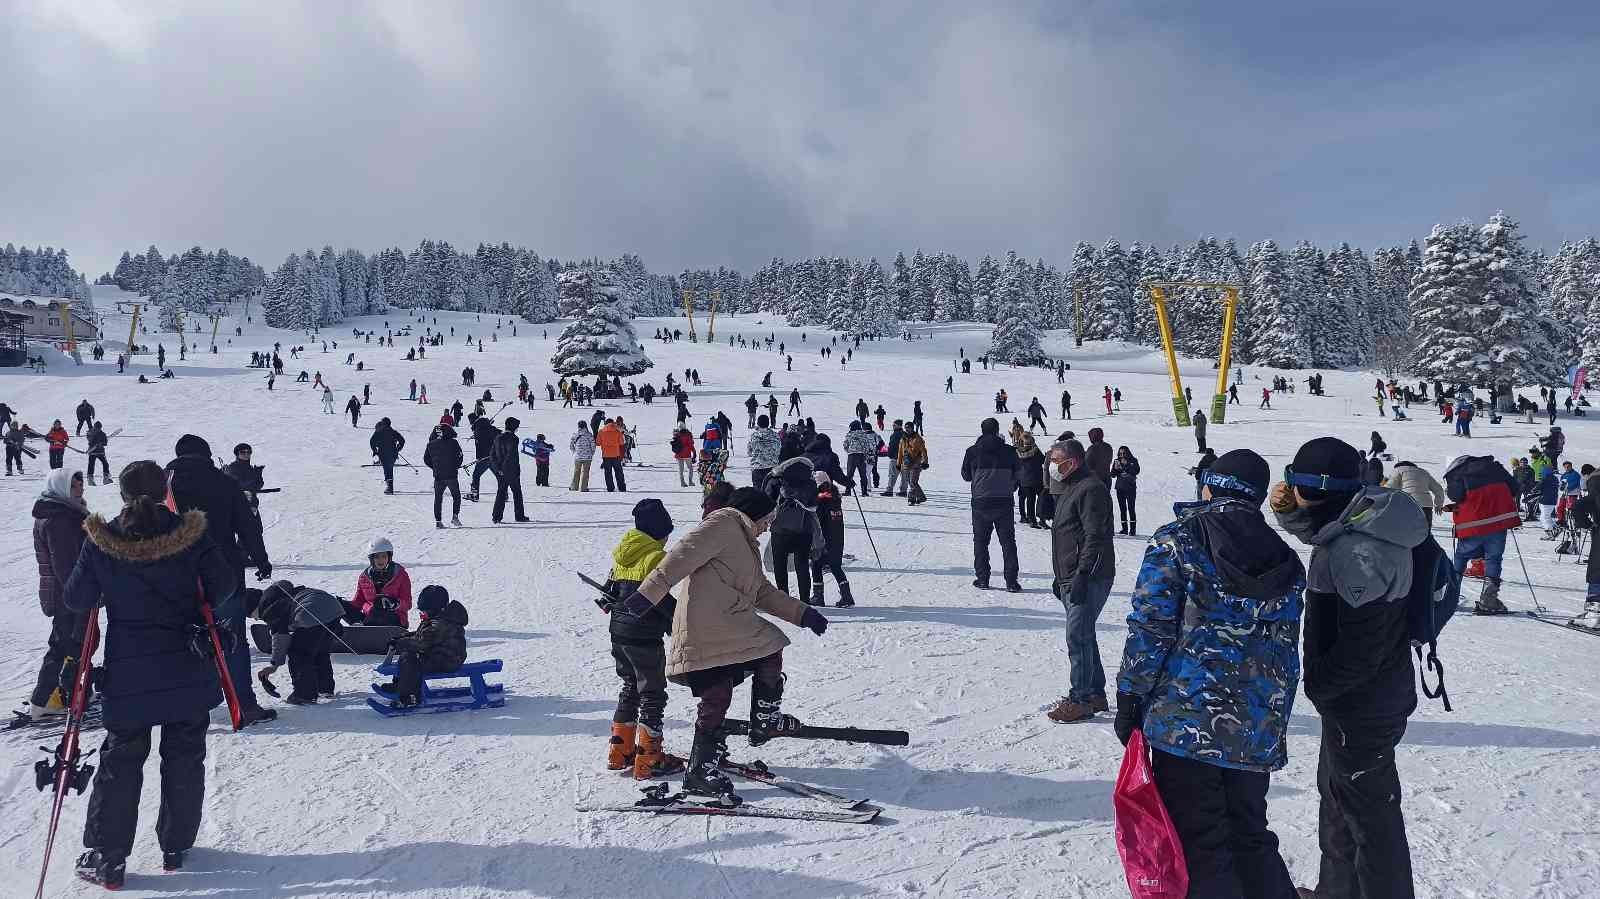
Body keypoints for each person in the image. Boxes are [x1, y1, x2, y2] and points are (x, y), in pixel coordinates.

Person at [1114, 449, 1305, 897]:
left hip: (1188, 720)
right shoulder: (1284, 555)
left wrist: (1130, 695)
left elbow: (1151, 626)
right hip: (1256, 723)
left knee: (1202, 844)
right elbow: (1284, 646)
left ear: (1210, 485)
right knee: (1250, 835)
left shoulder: (1177, 540)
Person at [64, 460, 236, 886]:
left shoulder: (102, 541)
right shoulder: (191, 534)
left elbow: (77, 597)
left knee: (121, 761)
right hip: (186, 664)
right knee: (184, 755)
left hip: (129, 672)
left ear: (122, 495)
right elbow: (225, 585)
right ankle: (175, 846)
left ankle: (109, 858)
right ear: (166, 490)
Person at [1272, 437, 1426, 899]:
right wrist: (1288, 511)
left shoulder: (1358, 554)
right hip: (1365, 696)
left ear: (1309, 487)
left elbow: (1362, 649)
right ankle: (1335, 891)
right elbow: (1323, 526)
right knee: (1340, 802)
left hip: (1362, 700)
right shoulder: (1367, 513)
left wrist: (1319, 685)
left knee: (1370, 819)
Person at [616, 487, 826, 803]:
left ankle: (742, 736)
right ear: (755, 512)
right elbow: (678, 558)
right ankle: (715, 759)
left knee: (736, 678)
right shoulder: (722, 524)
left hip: (729, 628)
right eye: (768, 518)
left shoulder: (743, 540)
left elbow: (761, 593)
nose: (769, 525)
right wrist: (646, 596)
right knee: (725, 686)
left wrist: (802, 613)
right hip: (706, 630)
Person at [165, 434, 274, 726]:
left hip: (177, 576)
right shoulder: (224, 482)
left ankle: (187, 704)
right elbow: (248, 526)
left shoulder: (165, 485)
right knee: (232, 639)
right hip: (224, 573)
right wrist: (261, 560)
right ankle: (244, 705)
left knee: (183, 640)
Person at [601, 499, 686, 779]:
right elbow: (658, 599)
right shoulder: (655, 557)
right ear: (658, 531)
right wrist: (681, 622)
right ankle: (649, 757)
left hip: (619, 631)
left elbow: (612, 591)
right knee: (652, 692)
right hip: (643, 635)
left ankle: (620, 751)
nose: (667, 539)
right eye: (666, 533)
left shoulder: (624, 553)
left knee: (630, 686)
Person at [1044, 439, 1116, 722]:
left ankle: (1081, 698)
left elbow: (1094, 536)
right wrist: (1060, 577)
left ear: (1071, 462)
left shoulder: (1091, 489)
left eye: (1055, 460)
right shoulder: (1071, 486)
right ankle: (1095, 693)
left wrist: (1083, 575)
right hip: (1071, 574)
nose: (1051, 466)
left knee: (1078, 636)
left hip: (1090, 575)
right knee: (1084, 633)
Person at [24, 468, 89, 720]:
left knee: (77, 643)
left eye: (81, 483)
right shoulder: (59, 519)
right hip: (68, 594)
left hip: (67, 592)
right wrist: (82, 594)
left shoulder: (63, 512)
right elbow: (65, 565)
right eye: (75, 485)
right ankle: (46, 699)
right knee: (65, 644)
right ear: (61, 487)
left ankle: (68, 692)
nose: (81, 488)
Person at [1443, 453, 1521, 614]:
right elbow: (1515, 488)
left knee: (1461, 557)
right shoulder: (1495, 467)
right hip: (1498, 521)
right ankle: (1488, 600)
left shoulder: (1457, 473)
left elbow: (1456, 495)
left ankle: (1450, 599)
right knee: (1494, 559)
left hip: (1473, 524)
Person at [377, 585, 469, 709]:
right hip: (439, 655)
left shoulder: (441, 623)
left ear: (434, 609)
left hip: (448, 660)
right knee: (409, 656)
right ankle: (401, 686)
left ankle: (410, 696)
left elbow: (423, 643)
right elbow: (423, 635)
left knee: (409, 659)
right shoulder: (438, 618)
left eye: (425, 610)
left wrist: (401, 643)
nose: (422, 613)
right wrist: (402, 638)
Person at [254, 580, 345, 705]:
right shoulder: (281, 596)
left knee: (298, 652)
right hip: (334, 608)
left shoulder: (269, 608)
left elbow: (280, 636)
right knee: (319, 651)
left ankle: (304, 694)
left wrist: (274, 665)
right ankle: (324, 688)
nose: (256, 619)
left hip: (312, 611)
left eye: (254, 616)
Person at [961, 418, 1021, 591]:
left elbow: (965, 475)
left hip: (981, 501)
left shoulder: (972, 451)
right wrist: (1011, 485)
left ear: (982, 430)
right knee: (1008, 542)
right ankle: (1011, 582)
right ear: (997, 430)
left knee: (980, 542)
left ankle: (983, 579)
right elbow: (1019, 473)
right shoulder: (1009, 451)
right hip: (1004, 501)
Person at [766, 457, 824, 601]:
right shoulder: (810, 483)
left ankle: (783, 599)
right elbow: (815, 505)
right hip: (804, 530)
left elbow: (766, 501)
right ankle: (804, 600)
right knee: (802, 566)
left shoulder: (777, 481)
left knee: (780, 566)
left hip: (780, 530)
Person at [810, 470, 855, 607]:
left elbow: (817, 522)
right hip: (837, 538)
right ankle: (847, 596)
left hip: (823, 540)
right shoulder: (835, 498)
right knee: (835, 566)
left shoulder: (820, 501)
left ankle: (818, 596)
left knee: (816, 565)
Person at [351, 537, 413, 627]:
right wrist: (342, 606)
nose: (381, 560)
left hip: (395, 619)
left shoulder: (400, 575)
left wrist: (395, 603)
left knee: (379, 614)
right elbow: (358, 602)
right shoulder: (364, 577)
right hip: (370, 617)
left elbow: (407, 603)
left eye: (384, 556)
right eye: (377, 557)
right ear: (372, 559)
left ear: (389, 557)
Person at [1565, 472, 1600, 630]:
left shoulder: (1596, 487)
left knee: (1597, 571)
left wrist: (1587, 524)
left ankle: (1594, 614)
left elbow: (1577, 507)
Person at [423, 423, 464, 528]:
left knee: (438, 498)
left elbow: (426, 460)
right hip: (451, 475)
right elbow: (460, 456)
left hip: (438, 475)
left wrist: (434, 467)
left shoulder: (431, 444)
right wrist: (456, 465)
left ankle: (438, 521)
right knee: (456, 496)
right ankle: (455, 517)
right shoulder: (454, 443)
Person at [491, 417, 529, 523]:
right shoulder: (513, 438)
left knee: (501, 493)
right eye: (517, 427)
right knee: (517, 493)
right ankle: (519, 516)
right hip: (511, 470)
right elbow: (511, 455)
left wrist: (497, 468)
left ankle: (496, 517)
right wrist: (506, 469)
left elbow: (492, 455)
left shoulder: (498, 437)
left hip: (500, 470)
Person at [1388, 461, 1446, 527]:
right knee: (1425, 531)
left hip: (1408, 504)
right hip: (1426, 507)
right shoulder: (1424, 472)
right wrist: (1439, 504)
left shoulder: (1398, 470)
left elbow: (1389, 488)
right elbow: (1438, 489)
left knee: (1406, 531)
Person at [1014, 430, 1046, 527]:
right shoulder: (1035, 451)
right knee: (1041, 499)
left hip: (1024, 479)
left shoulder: (1017, 451)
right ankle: (1042, 519)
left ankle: (1032, 520)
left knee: (1030, 500)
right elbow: (1043, 460)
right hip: (1037, 477)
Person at [467, 412, 500, 502]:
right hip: (494, 457)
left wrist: (479, 458)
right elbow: (498, 433)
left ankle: (474, 495)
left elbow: (481, 443)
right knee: (499, 476)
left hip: (484, 457)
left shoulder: (479, 428)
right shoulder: (488, 427)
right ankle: (504, 495)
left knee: (476, 475)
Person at [369, 418, 405, 495]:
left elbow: (372, 441)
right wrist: (398, 448)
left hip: (383, 453)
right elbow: (402, 440)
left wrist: (375, 451)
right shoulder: (393, 432)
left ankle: (390, 487)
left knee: (387, 469)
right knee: (389, 468)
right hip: (393, 453)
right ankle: (390, 486)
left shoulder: (379, 431)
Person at [1111, 445, 1140, 535]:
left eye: (1124, 453)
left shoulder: (1133, 461)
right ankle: (1124, 529)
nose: (1122, 455)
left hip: (1130, 487)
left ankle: (1133, 530)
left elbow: (1137, 471)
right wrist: (1116, 469)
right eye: (1120, 453)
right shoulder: (1117, 461)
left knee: (1131, 508)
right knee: (1122, 509)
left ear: (1127, 453)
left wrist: (1126, 467)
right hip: (1120, 487)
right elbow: (1113, 474)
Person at [897, 423, 929, 505]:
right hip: (906, 463)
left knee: (913, 482)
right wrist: (898, 463)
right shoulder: (903, 439)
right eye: (906, 428)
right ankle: (921, 497)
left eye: (909, 428)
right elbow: (900, 452)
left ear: (912, 428)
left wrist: (925, 462)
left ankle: (911, 499)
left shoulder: (917, 439)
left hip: (916, 463)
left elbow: (923, 451)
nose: (907, 429)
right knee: (909, 481)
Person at [746, 415, 781, 489]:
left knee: (758, 495)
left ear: (758, 423)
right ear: (768, 423)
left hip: (757, 469)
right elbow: (778, 451)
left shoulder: (754, 436)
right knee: (771, 494)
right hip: (772, 469)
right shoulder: (775, 436)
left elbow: (749, 452)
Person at [842, 421, 876, 494]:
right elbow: (867, 446)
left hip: (852, 456)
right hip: (861, 456)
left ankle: (848, 490)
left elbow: (845, 445)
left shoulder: (850, 434)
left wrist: (849, 451)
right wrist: (864, 453)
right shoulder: (864, 434)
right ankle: (864, 491)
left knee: (850, 474)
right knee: (863, 474)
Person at [597, 418, 628, 492]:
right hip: (616, 455)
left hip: (606, 455)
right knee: (619, 472)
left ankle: (610, 488)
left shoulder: (601, 431)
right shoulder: (617, 432)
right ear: (613, 423)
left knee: (608, 472)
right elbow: (621, 443)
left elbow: (598, 443)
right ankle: (622, 488)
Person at [881, 421, 906, 497]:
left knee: (892, 475)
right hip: (905, 459)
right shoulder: (906, 434)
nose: (893, 426)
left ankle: (889, 490)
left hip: (896, 458)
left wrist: (890, 454)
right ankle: (903, 491)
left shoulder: (895, 435)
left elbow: (892, 446)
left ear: (898, 426)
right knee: (904, 476)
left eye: (894, 425)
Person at [570, 421, 596, 492]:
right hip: (587, 457)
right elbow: (593, 445)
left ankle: (574, 487)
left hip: (578, 456)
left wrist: (574, 452)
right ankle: (583, 488)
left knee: (576, 471)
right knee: (585, 472)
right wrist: (591, 453)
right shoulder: (589, 435)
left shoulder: (575, 434)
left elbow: (571, 445)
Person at [85, 421, 111, 485]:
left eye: (99, 428)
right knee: (91, 465)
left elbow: (105, 443)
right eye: (96, 428)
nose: (98, 429)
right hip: (92, 452)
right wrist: (96, 444)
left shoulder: (103, 434)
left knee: (105, 464)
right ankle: (90, 479)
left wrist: (101, 444)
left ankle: (106, 478)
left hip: (100, 452)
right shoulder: (91, 433)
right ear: (94, 427)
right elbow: (90, 440)